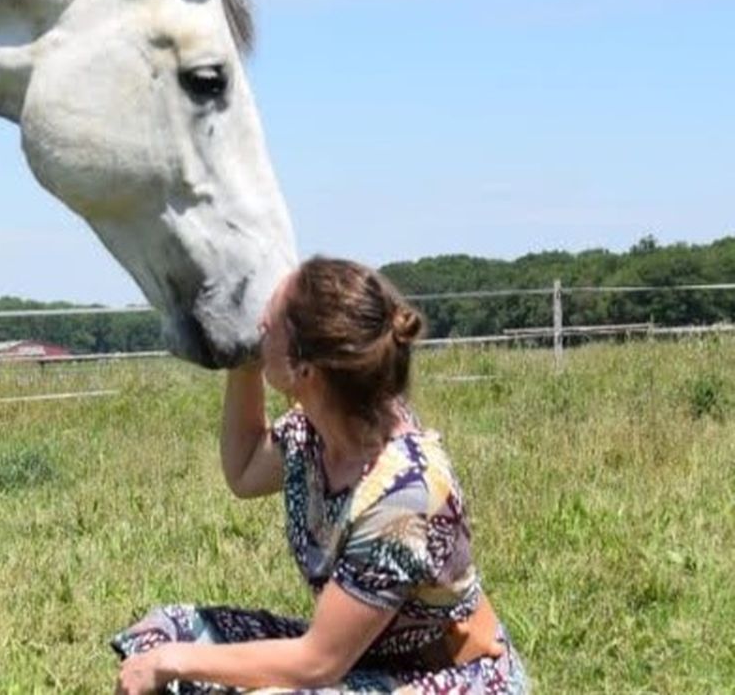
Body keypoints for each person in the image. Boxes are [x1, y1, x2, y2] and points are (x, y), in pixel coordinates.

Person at [112, 257, 528, 694]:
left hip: (442, 676)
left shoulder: (404, 497)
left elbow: (316, 663)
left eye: (266, 325)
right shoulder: (322, 429)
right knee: (166, 630)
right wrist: (242, 357)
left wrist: (173, 663)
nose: (258, 329)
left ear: (303, 369)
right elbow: (246, 469)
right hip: (361, 659)